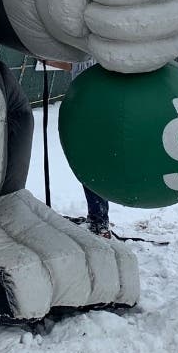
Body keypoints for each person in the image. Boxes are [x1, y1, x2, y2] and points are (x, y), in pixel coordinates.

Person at [42, 58, 112, 239]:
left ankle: (100, 221)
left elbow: (75, 65)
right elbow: (71, 65)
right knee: (88, 169)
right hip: (85, 115)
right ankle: (97, 216)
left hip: (95, 117)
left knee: (92, 169)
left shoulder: (101, 56)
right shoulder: (85, 55)